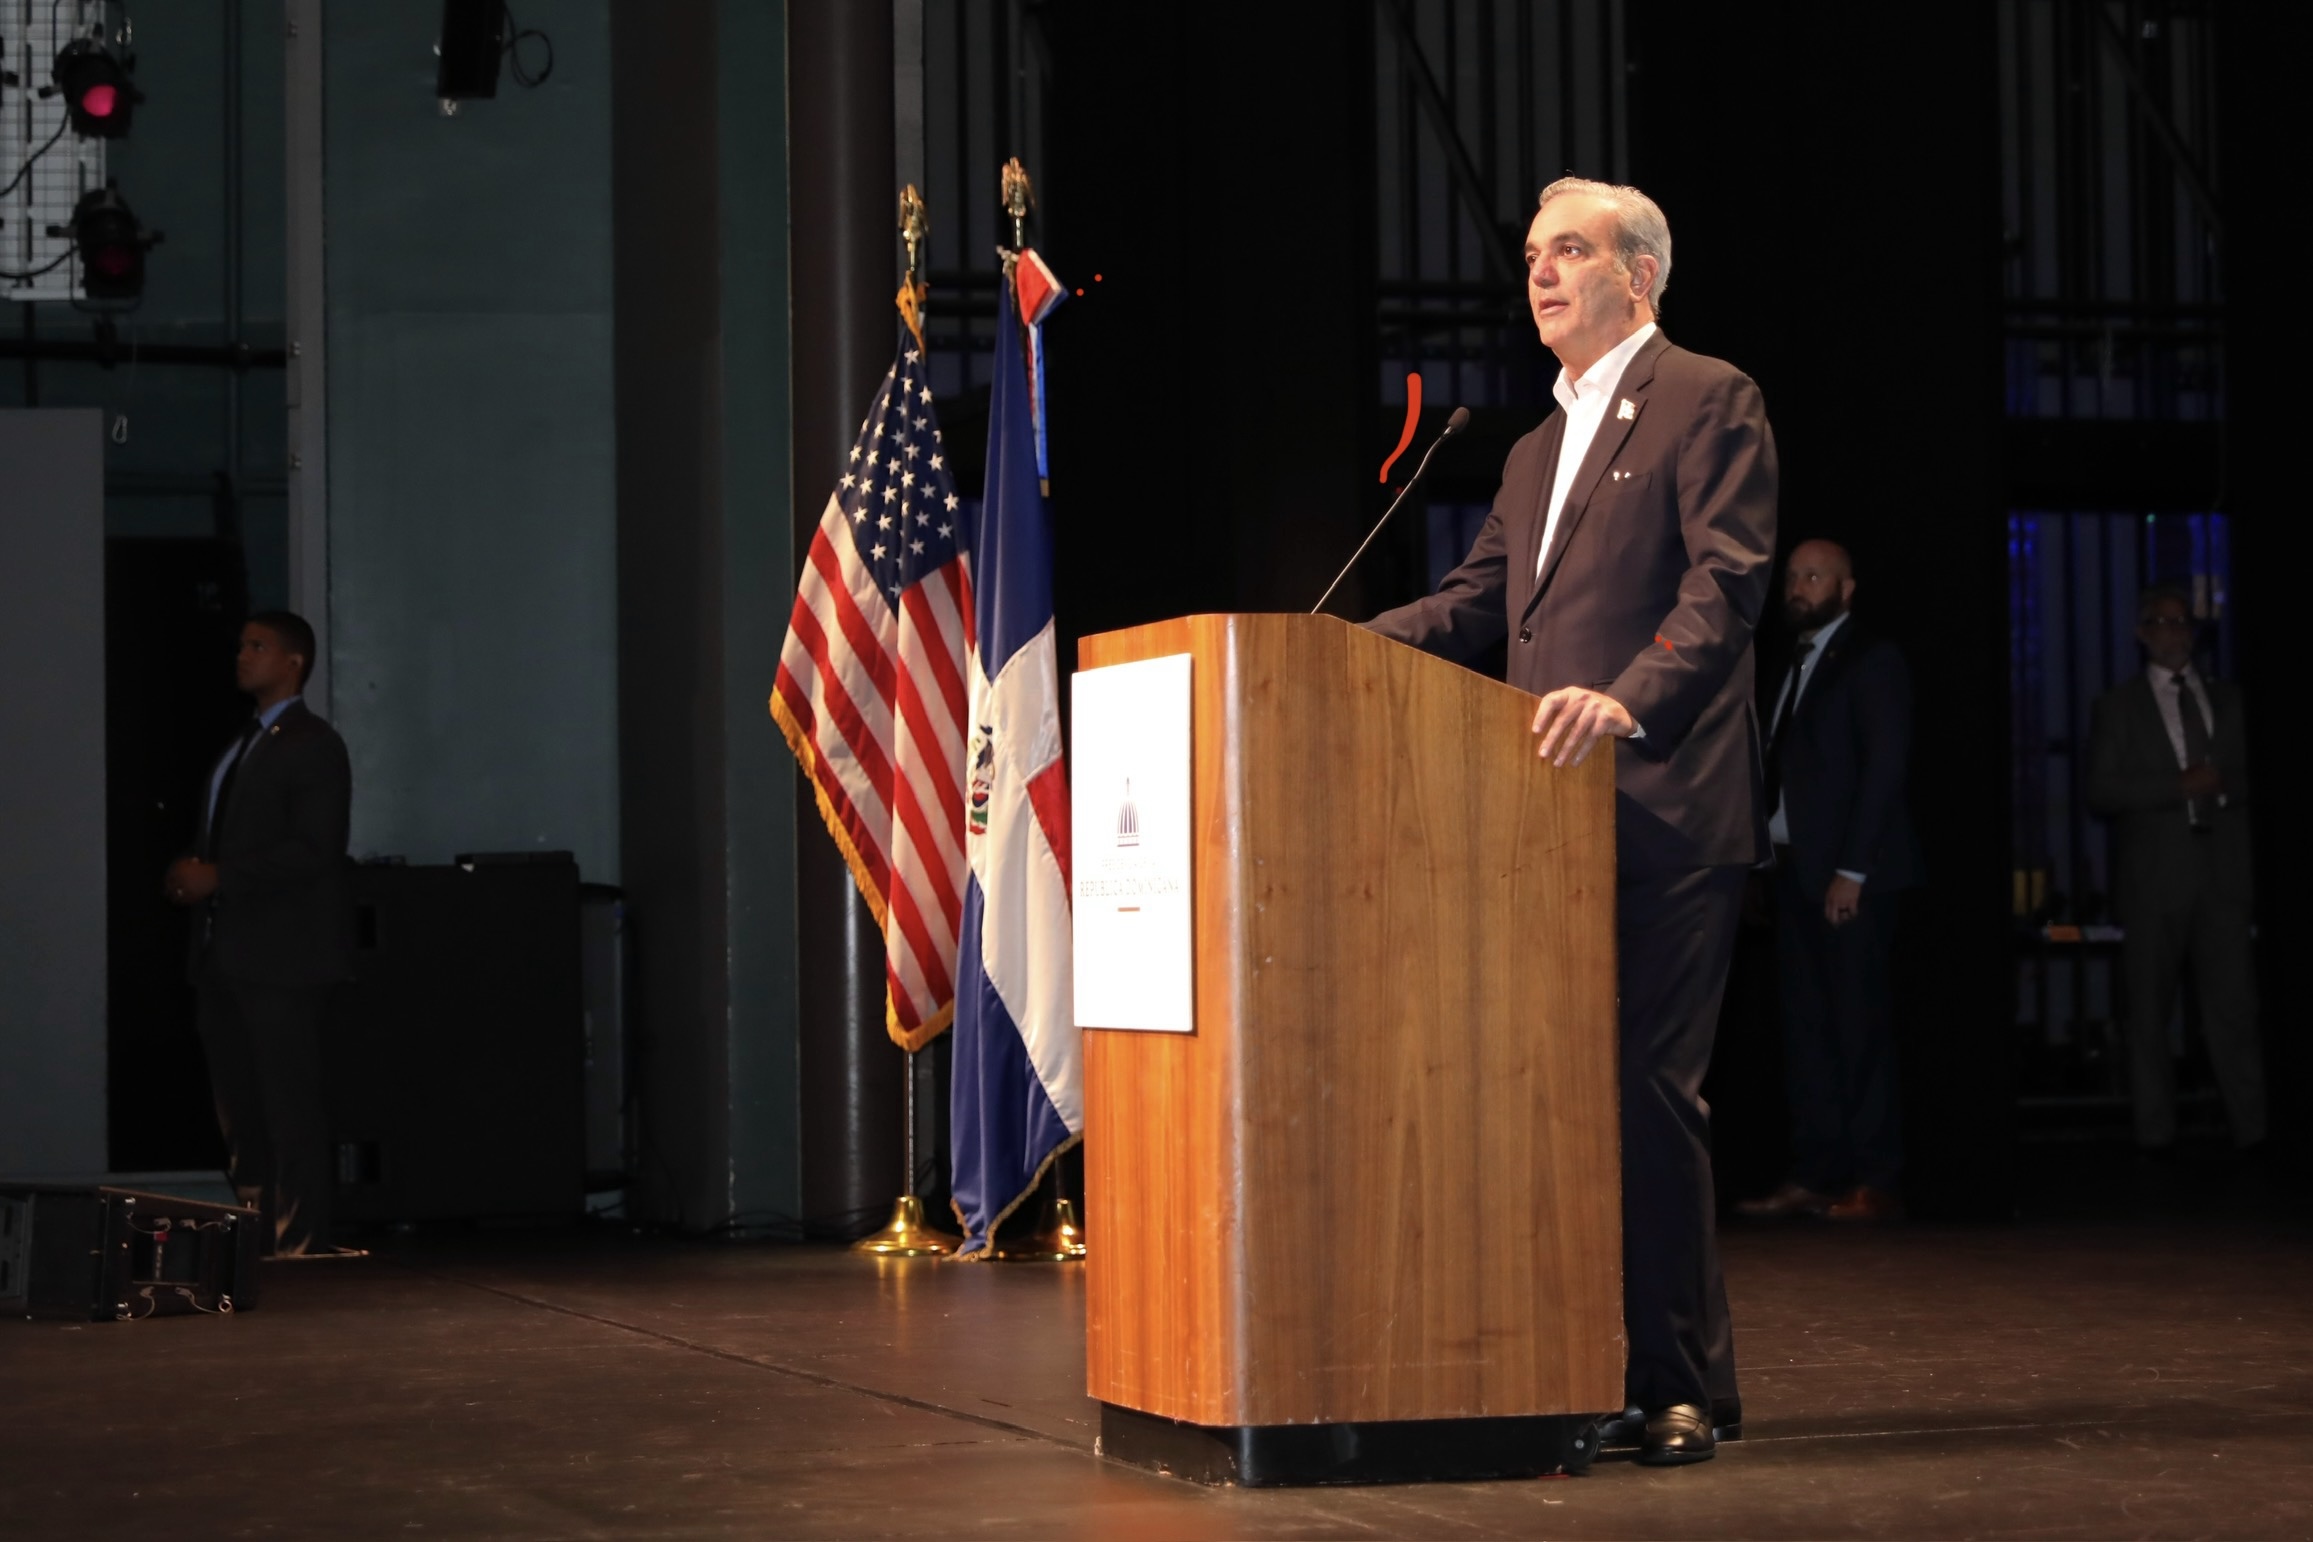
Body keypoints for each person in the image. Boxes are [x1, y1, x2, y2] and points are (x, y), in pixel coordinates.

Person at [1365, 177, 1775, 1466]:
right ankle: (1597, 1368)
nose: (1540, 274)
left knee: (1645, 1093)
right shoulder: (1537, 448)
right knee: (1562, 1100)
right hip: (1544, 820)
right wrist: (1327, 646)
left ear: (1638, 275)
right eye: (1535, 255)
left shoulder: (1708, 396)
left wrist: (1628, 697)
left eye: (1571, 252)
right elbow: (1478, 602)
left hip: (1664, 806)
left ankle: (1680, 1383)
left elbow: (1727, 583)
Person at [163, 611, 356, 1256]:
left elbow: (315, 849)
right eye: (242, 645)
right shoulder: (245, 742)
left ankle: (300, 1243)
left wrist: (219, 876)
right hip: (225, 956)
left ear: (294, 662)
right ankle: (258, 1240)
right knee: (241, 1114)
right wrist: (191, 874)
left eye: (258, 645)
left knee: (287, 1108)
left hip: (283, 960)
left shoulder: (312, 742)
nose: (243, 655)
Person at [1737, 539, 1918, 1224]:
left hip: (1849, 879)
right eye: (1792, 576)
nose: (1798, 587)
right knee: (1807, 1031)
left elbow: (1884, 768)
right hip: (1793, 874)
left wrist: (1852, 869)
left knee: (1858, 1027)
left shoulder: (1871, 659)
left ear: (1846, 589)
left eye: (1813, 576)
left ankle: (1875, 1176)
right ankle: (1818, 1172)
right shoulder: (1789, 660)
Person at [2085, 586, 2262, 1153]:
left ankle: (2254, 1131)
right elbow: (2101, 789)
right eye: (2161, 621)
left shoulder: (2231, 700)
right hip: (2154, 879)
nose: (2174, 630)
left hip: (2223, 875)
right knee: (2149, 1015)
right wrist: (2177, 786)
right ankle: (2156, 1136)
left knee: (2234, 1011)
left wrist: (2222, 786)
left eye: (2182, 621)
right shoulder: (2118, 706)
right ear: (2141, 633)